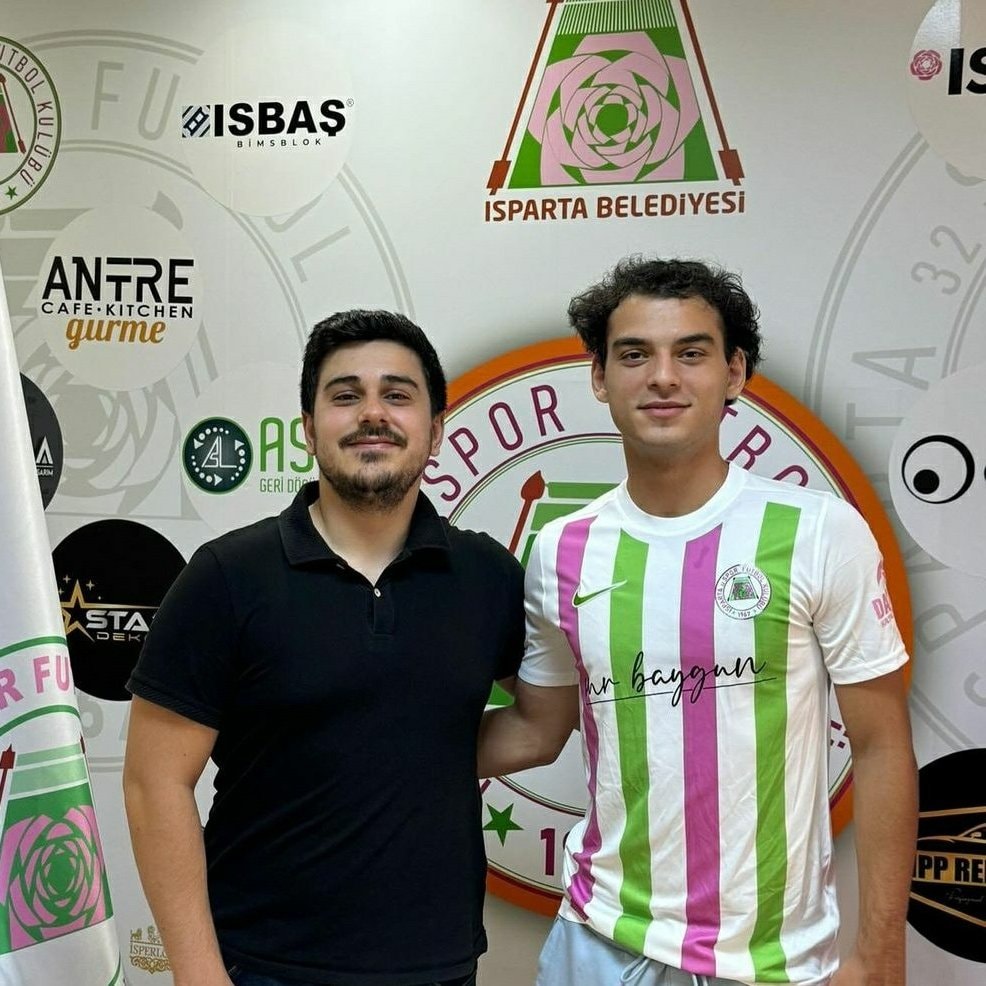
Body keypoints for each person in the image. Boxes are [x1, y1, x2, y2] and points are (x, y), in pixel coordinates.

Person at [478, 258, 917, 986]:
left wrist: (881, 956)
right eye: (633, 355)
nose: (662, 377)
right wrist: (366, 757)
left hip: (772, 961)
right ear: (599, 378)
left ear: (734, 373)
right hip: (597, 945)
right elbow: (536, 728)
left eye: (690, 353)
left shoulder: (817, 531)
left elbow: (880, 748)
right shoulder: (561, 550)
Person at [124, 310, 524, 986]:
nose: (372, 414)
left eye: (397, 394)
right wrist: (198, 974)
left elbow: (541, 721)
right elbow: (153, 783)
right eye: (345, 395)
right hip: (259, 964)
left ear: (435, 431)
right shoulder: (227, 576)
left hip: (437, 966)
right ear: (309, 428)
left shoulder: (487, 576)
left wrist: (425, 749)